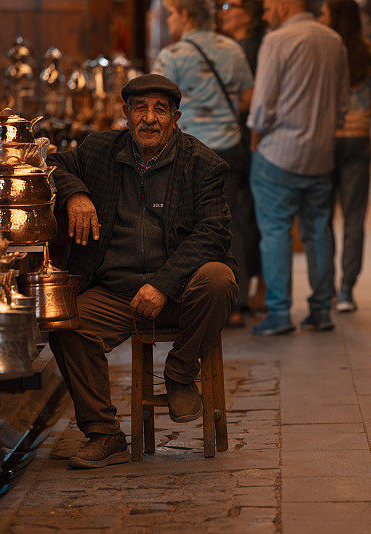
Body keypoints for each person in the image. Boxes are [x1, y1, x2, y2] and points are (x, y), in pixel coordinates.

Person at [47, 74, 238, 469]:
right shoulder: (100, 149)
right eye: (140, 108)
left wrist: (163, 284)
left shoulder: (202, 163)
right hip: (117, 292)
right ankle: (104, 434)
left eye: (160, 109)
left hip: (182, 294)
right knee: (65, 323)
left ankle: (181, 371)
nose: (148, 119)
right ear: (126, 114)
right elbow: (49, 162)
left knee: (218, 278)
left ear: (175, 117)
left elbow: (213, 234)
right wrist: (75, 194)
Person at [247, 0, 349, 335]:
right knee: (318, 230)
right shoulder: (334, 40)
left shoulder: (277, 40)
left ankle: (278, 313)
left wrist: (256, 142)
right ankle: (321, 310)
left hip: (279, 153)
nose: (265, 12)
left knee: (275, 231)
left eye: (267, 6)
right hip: (320, 154)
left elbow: (262, 106)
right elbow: (343, 104)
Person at [152, 0, 254, 326]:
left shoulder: (172, 55)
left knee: (187, 225)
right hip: (230, 148)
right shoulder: (233, 49)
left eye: (171, 14)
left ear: (186, 14)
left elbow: (157, 104)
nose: (169, 22)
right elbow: (248, 98)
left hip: (190, 154)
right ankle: (236, 303)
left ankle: (194, 301)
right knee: (232, 221)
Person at [319, 0, 371, 313]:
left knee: (323, 216)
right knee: (354, 216)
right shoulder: (370, 56)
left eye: (326, 12)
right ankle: (346, 290)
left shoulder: (325, 53)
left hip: (327, 139)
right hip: (358, 138)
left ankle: (326, 288)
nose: (321, 16)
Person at [218, 0, 268, 314]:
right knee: (247, 215)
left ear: (246, 16)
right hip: (248, 141)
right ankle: (253, 287)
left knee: (245, 216)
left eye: (229, 5)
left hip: (245, 140)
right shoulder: (241, 46)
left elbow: (249, 100)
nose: (223, 10)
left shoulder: (246, 49)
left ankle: (251, 289)